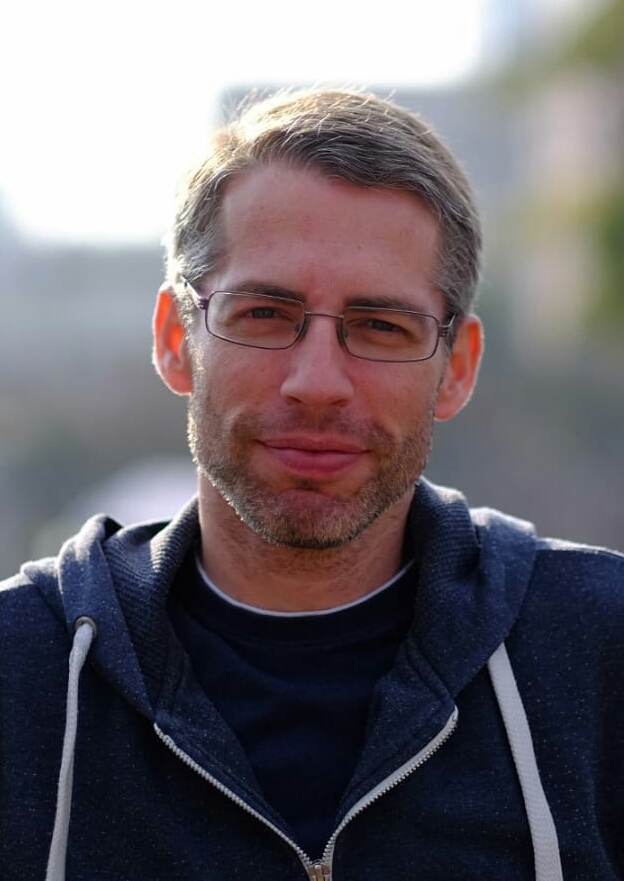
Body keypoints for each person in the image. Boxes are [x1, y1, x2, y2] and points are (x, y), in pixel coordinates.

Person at [1, 88, 623, 881]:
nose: (318, 383)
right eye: (264, 312)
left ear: (457, 368)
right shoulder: (22, 670)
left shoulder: (600, 650)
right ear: (175, 339)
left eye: (381, 326)